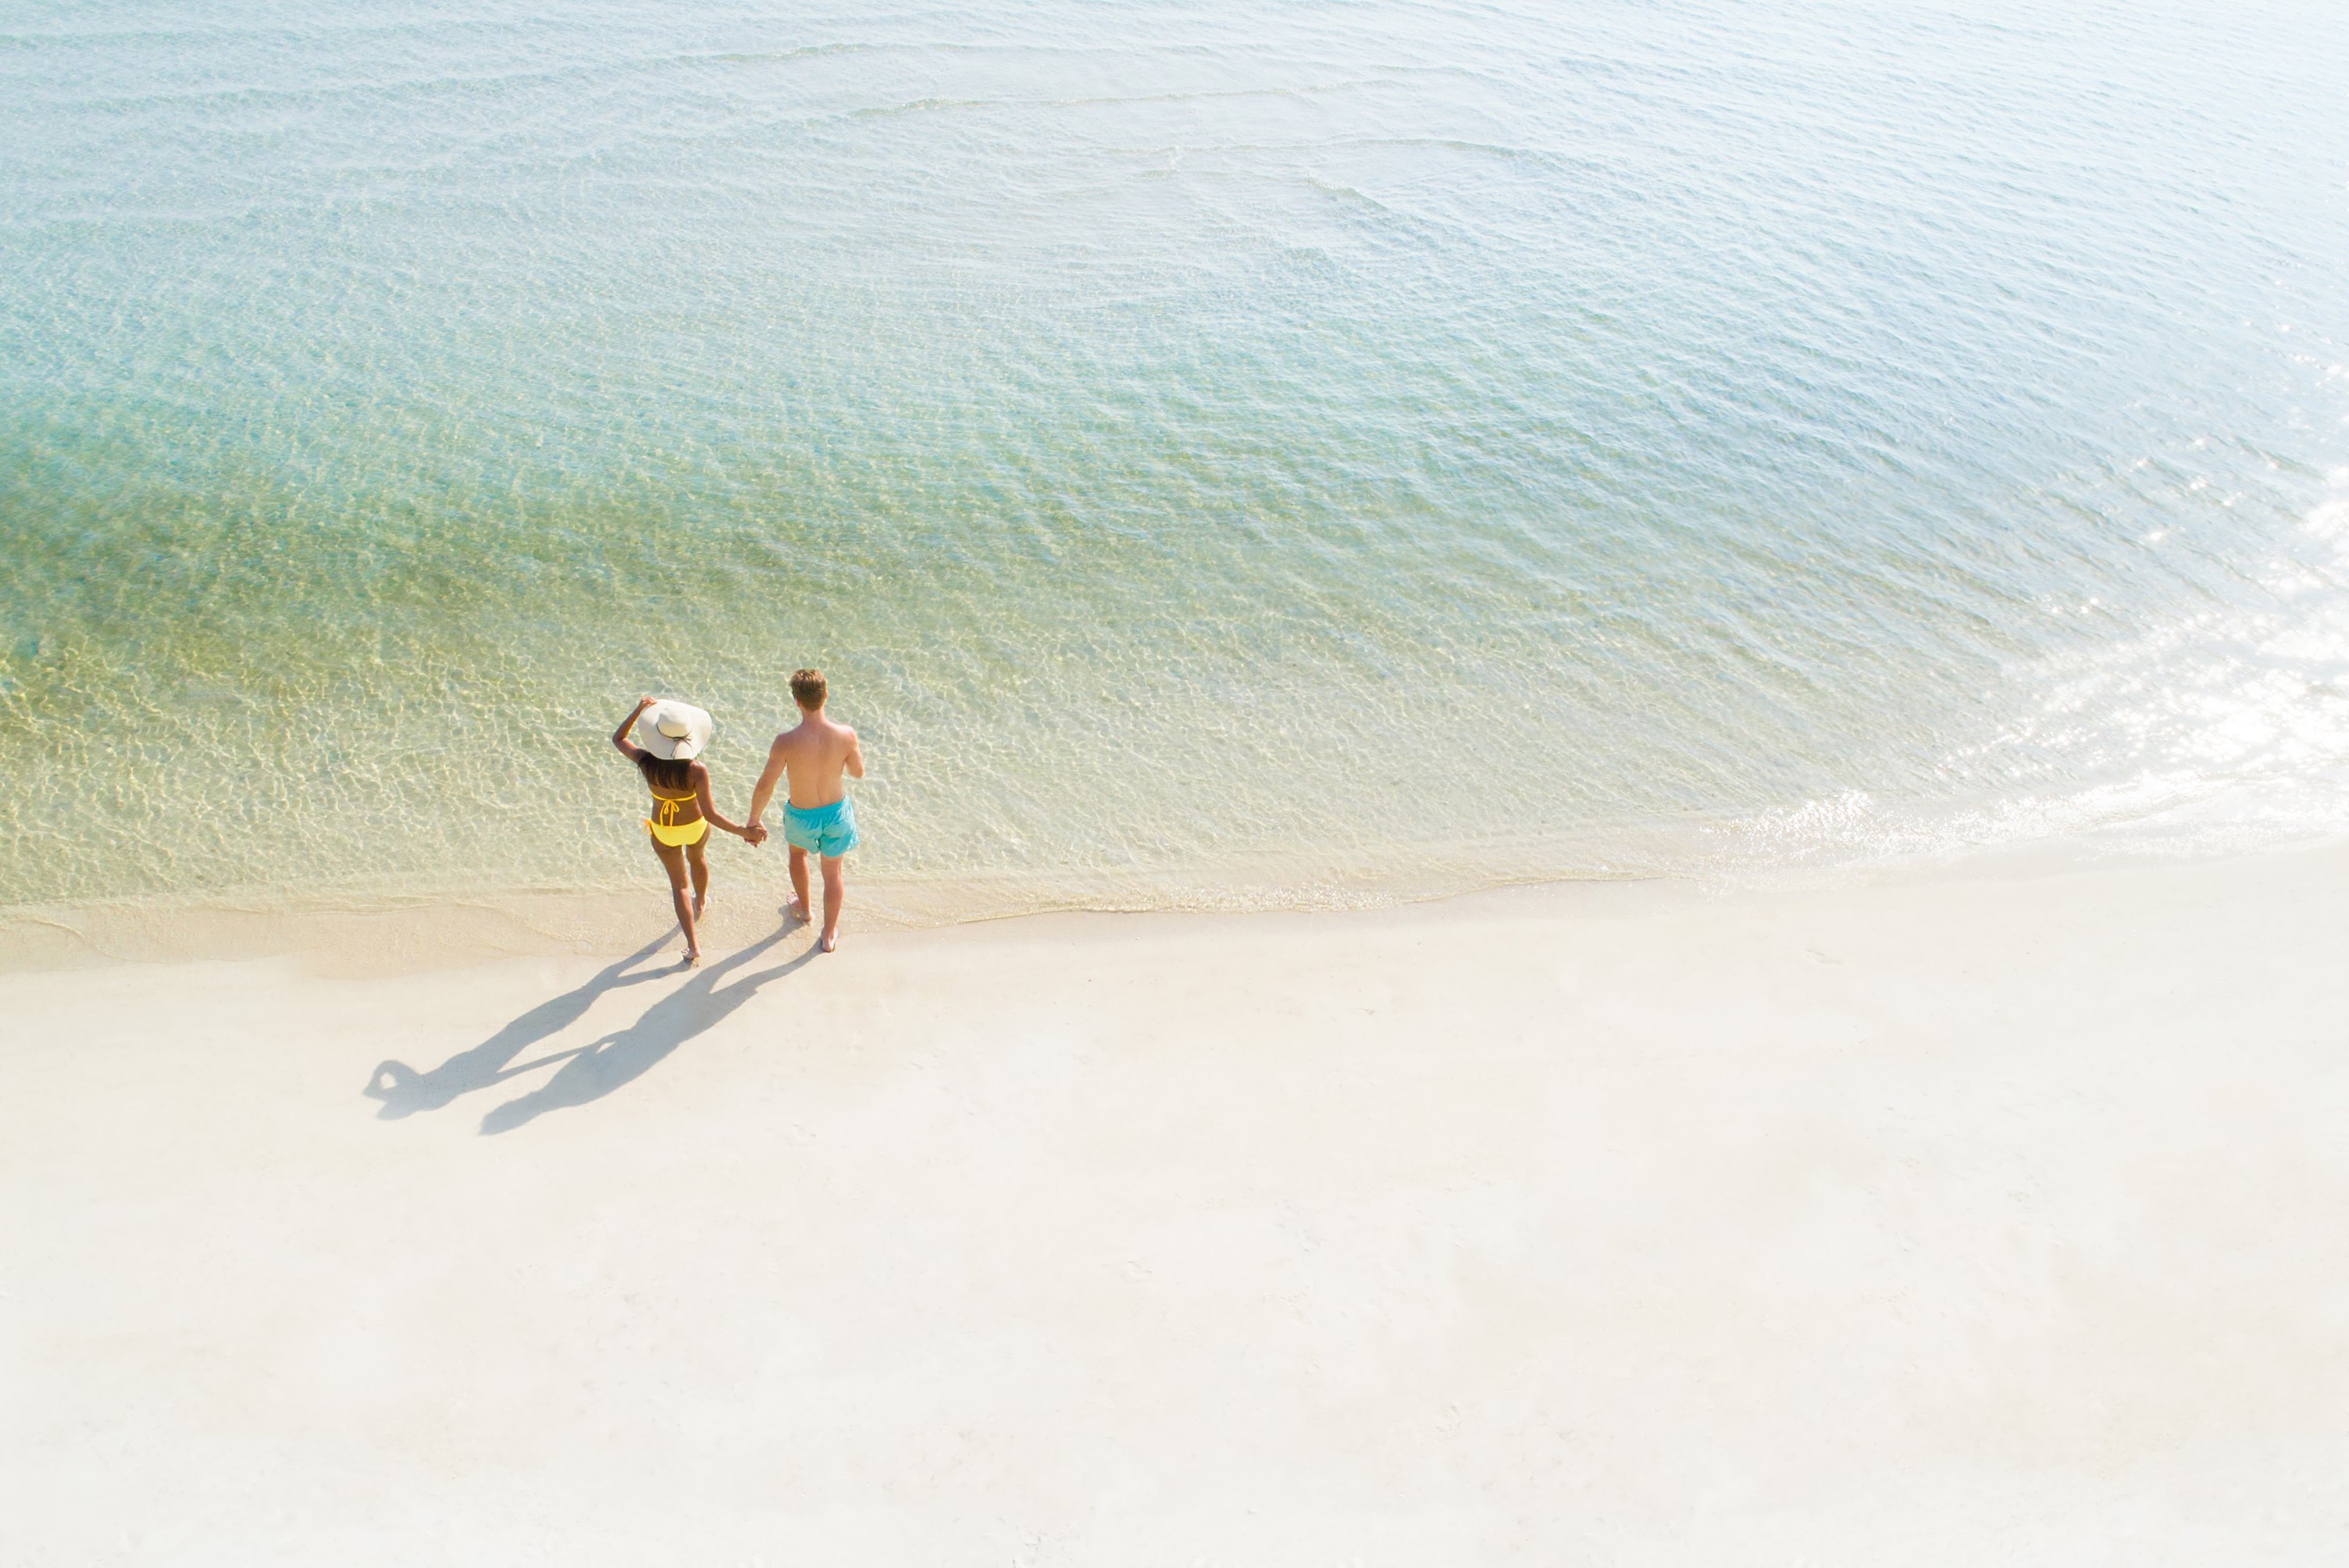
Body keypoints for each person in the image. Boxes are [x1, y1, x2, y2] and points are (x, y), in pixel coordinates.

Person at [610, 695, 754, 967]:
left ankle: (692, 946)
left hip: (663, 830)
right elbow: (711, 814)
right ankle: (701, 902)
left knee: (679, 886)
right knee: (698, 859)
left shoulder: (646, 762)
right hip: (695, 827)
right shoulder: (696, 770)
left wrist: (638, 709)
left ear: (658, 737)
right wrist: (743, 831)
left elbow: (618, 739)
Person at [745, 668, 864, 952]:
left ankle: (805, 908)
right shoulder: (846, 735)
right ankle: (829, 932)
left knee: (798, 856)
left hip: (801, 814)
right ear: (826, 696)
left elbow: (765, 785)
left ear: (796, 700)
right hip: (836, 813)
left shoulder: (785, 741)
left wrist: (753, 819)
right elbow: (858, 772)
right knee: (833, 874)